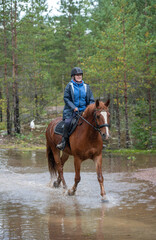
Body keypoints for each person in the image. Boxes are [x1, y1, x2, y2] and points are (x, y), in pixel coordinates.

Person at [56, 67, 95, 150]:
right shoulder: (69, 86)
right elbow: (66, 98)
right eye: (77, 75)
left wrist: (90, 108)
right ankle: (63, 142)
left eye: (80, 75)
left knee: (95, 121)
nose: (79, 76)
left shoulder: (86, 86)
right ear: (73, 76)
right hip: (72, 111)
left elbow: (91, 99)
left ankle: (98, 142)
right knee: (67, 123)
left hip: (85, 111)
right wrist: (74, 107)